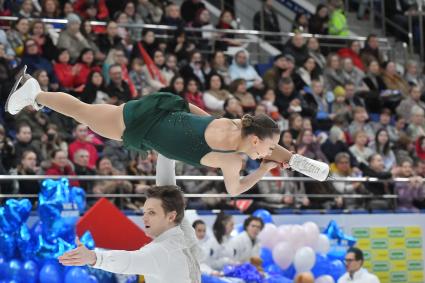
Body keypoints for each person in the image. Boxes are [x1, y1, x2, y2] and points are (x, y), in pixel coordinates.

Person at [7, 67, 330, 197]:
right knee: (83, 112)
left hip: (160, 119)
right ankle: (34, 93)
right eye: (265, 149)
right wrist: (262, 168)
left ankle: (36, 95)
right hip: (143, 123)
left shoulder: (236, 130)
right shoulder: (234, 157)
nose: (266, 154)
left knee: (87, 112)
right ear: (256, 140)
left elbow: (259, 150)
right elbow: (235, 189)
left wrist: (278, 164)